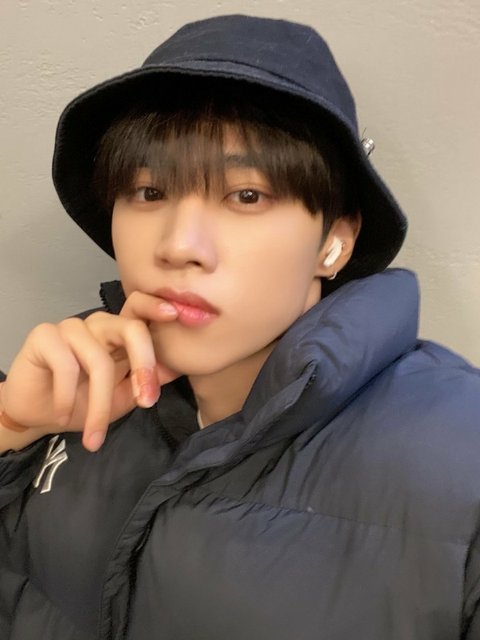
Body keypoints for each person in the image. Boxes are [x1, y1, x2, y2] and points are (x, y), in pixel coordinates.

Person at [0, 14, 479, 640]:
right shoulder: (77, 379)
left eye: (247, 195)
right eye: (148, 192)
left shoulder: (461, 458)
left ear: (334, 239)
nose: (179, 245)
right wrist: (13, 428)